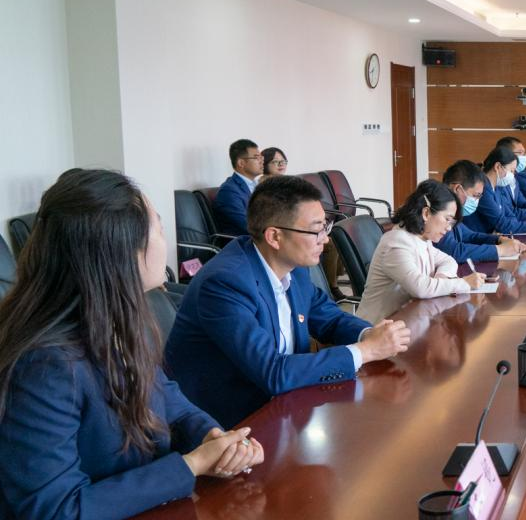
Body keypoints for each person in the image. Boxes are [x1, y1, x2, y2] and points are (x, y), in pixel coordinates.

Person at [0, 169, 264, 520]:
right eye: (157, 226)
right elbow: (56, 514)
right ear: (123, 252)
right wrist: (191, 465)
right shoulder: (45, 364)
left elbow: (164, 394)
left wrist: (212, 436)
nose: (164, 236)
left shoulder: (123, 318)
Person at [164, 176, 411, 427]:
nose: (325, 239)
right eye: (316, 230)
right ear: (274, 237)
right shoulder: (225, 283)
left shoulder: (294, 268)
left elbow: (329, 318)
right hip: (227, 423)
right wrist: (366, 351)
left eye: (325, 227)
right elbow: (273, 372)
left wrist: (368, 334)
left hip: (286, 404)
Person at [357, 181, 485, 323]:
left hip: (406, 320)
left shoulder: (422, 239)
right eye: (447, 219)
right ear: (426, 213)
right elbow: (421, 288)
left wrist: (441, 279)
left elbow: (448, 261)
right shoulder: (396, 242)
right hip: (377, 328)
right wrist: (464, 283)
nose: (449, 228)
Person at [439, 161, 526, 264]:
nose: (477, 201)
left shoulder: (453, 212)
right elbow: (454, 251)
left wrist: (499, 239)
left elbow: (469, 236)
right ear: (457, 189)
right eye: (476, 195)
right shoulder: (438, 211)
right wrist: (500, 250)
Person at [460, 146, 526, 236]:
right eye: (511, 171)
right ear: (498, 167)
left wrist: (509, 227)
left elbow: (510, 215)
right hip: (476, 239)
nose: (513, 175)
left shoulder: (498, 188)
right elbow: (502, 223)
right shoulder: (483, 189)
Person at [213, 138, 264, 236]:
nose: (261, 161)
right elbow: (248, 225)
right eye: (256, 158)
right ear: (241, 163)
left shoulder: (258, 185)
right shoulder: (229, 191)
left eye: (261, 158)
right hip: (245, 241)